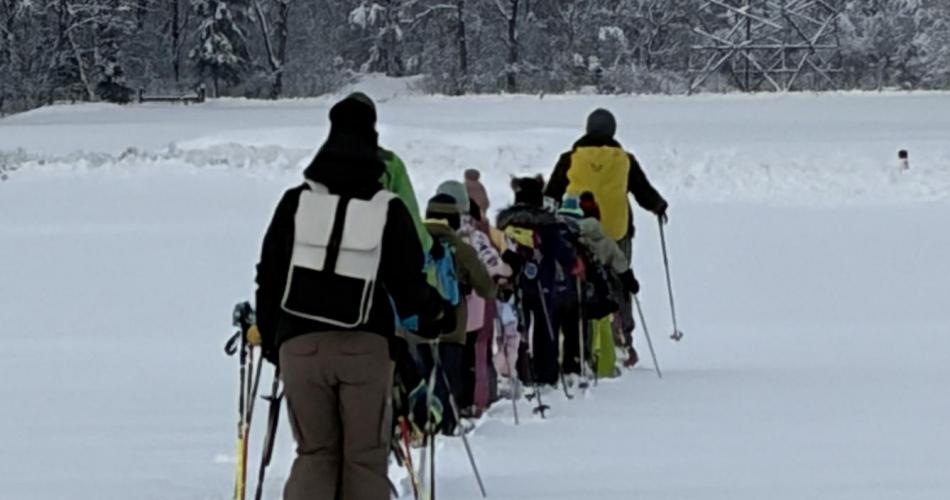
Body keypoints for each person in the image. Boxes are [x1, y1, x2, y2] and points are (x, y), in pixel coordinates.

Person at [253, 94, 452, 500]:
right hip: (365, 346)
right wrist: (438, 315)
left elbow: (269, 276)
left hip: (299, 346)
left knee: (314, 453)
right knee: (363, 458)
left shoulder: (296, 202)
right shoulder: (387, 207)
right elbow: (409, 287)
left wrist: (275, 340)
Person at [544, 108, 667, 363]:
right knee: (620, 282)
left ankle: (581, 339)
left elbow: (552, 194)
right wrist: (658, 206)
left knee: (583, 283)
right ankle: (621, 338)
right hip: (617, 231)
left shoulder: (571, 158)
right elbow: (643, 191)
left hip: (577, 231)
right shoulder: (624, 159)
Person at [421, 192, 497, 434]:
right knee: (448, 380)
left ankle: (421, 426)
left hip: (414, 327)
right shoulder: (459, 247)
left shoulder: (411, 240)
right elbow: (485, 286)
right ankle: (446, 426)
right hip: (452, 328)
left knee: (421, 380)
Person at [497, 175, 576, 388]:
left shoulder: (506, 224)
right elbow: (560, 250)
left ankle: (522, 370)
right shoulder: (546, 224)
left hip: (516, 281)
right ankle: (545, 372)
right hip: (544, 282)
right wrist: (572, 264)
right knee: (545, 326)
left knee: (519, 326)